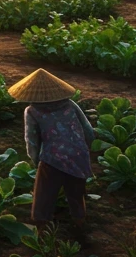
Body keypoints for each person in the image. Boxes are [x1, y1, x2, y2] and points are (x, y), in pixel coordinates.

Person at [10, 68, 95, 242]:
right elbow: (88, 131)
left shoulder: (32, 111)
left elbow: (31, 141)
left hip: (52, 159)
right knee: (76, 193)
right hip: (78, 154)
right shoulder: (70, 104)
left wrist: (36, 161)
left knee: (44, 194)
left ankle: (41, 232)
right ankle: (79, 225)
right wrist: (83, 150)